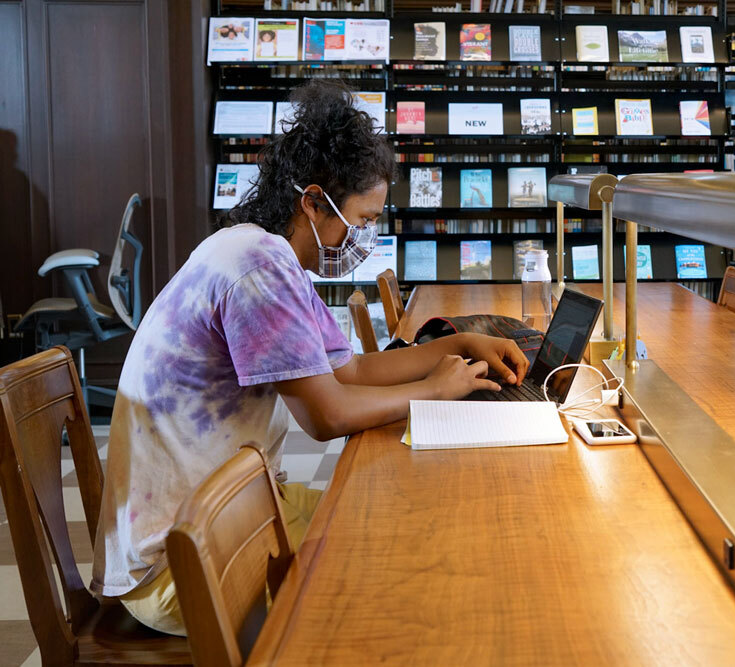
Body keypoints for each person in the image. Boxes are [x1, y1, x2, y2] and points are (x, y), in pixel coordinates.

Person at [89, 79, 528, 636]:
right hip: (179, 560)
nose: (365, 238)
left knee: (391, 534)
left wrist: (461, 344)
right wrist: (434, 391)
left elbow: (351, 371)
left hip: (223, 514)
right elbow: (326, 416)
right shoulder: (258, 267)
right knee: (393, 589)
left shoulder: (268, 256)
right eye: (363, 221)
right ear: (315, 202)